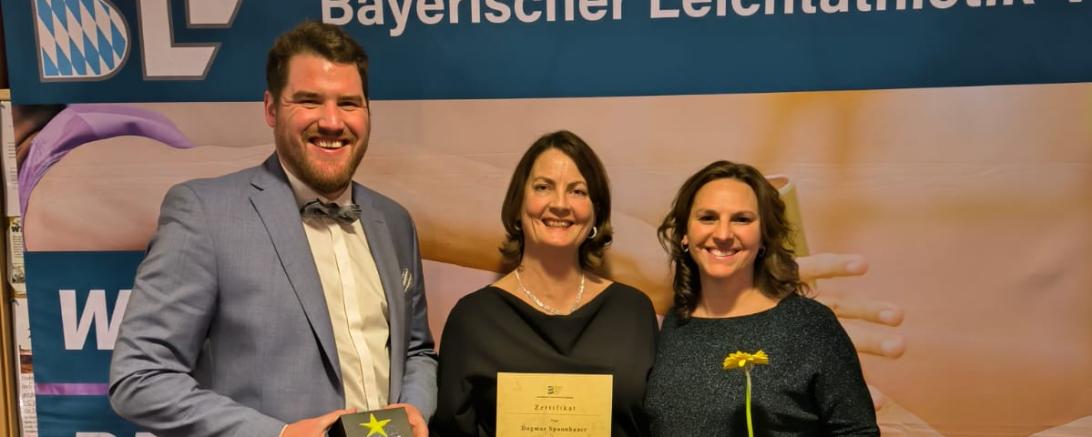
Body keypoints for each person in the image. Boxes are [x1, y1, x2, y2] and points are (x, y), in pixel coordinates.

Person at [107, 21, 437, 437]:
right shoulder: (204, 213)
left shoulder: (393, 221)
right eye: (309, 101)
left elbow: (417, 350)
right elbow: (139, 378)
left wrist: (415, 408)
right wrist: (277, 435)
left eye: (349, 103)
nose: (333, 122)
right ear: (271, 109)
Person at [431, 130, 658, 436]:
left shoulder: (633, 313)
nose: (560, 204)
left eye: (577, 191)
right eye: (543, 187)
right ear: (518, 204)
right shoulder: (473, 319)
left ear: (596, 212)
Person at [645, 160, 878, 435]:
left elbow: (857, 432)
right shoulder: (673, 323)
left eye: (741, 219)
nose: (722, 234)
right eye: (707, 217)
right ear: (685, 234)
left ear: (764, 236)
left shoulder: (810, 325)